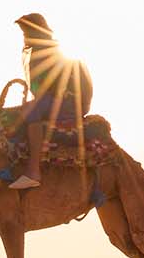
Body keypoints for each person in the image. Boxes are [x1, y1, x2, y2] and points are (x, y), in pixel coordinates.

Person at [9, 12, 92, 190]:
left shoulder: (49, 51)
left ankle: (33, 171)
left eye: (26, 32)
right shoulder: (41, 51)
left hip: (71, 101)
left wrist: (34, 102)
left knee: (30, 111)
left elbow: (51, 85)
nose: (24, 37)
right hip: (59, 99)